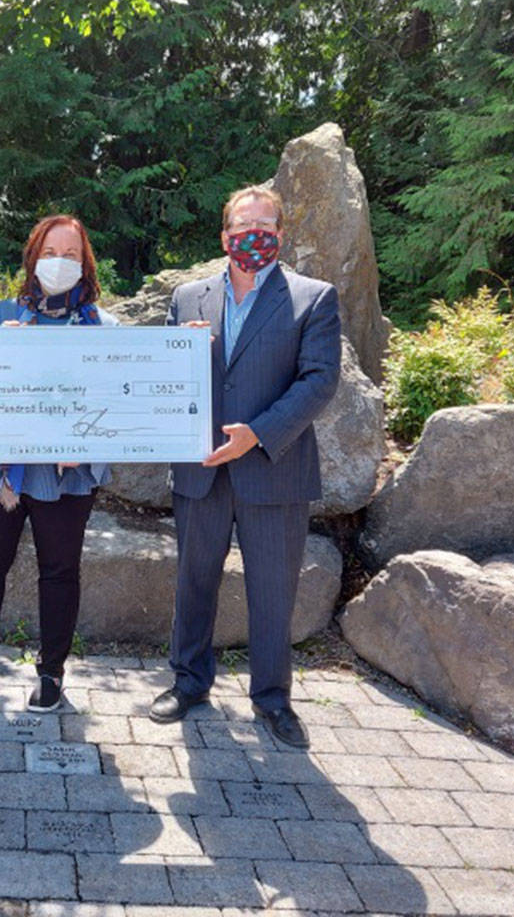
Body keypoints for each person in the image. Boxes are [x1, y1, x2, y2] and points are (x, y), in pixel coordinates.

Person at [149, 184, 341, 748]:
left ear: (280, 234)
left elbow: (320, 380)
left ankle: (273, 700)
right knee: (194, 581)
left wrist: (257, 434)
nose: (251, 234)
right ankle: (188, 682)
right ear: (224, 235)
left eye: (264, 224)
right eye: (241, 224)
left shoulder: (313, 297)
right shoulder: (187, 299)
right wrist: (174, 353)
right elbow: (162, 377)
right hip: (201, 468)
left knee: (273, 591)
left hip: (274, 469)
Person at [0, 214, 118, 712]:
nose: (59, 263)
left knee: (61, 570)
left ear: (85, 264)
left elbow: (118, 398)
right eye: (51, 253)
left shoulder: (104, 328)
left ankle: (51, 672)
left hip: (68, 473)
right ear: (33, 258)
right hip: (3, 468)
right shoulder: (2, 314)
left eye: (71, 255)